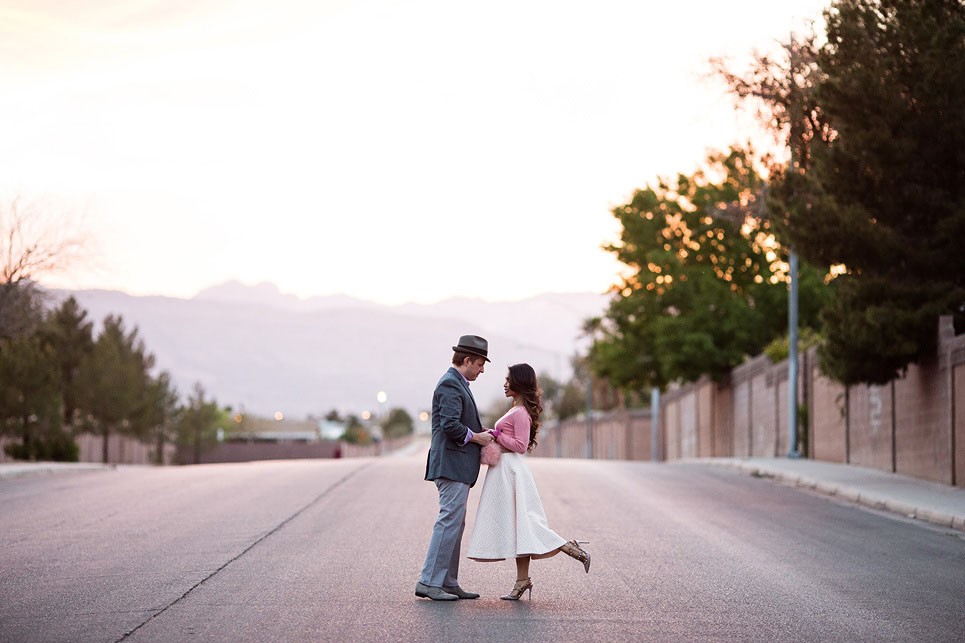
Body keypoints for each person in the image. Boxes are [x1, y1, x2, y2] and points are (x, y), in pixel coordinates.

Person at [466, 363, 591, 600]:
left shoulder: (520, 413)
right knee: (518, 527)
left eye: (508, 379)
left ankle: (570, 548)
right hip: (505, 472)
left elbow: (520, 446)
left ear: (519, 383)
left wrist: (496, 434)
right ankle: (522, 581)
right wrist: (491, 433)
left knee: (524, 523)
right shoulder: (516, 410)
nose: (504, 384)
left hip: (512, 472)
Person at [415, 334, 497, 601]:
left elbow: (458, 422)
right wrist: (476, 437)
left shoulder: (458, 383)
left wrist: (483, 432)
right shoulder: (450, 385)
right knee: (449, 521)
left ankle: (448, 582)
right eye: (480, 364)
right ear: (467, 360)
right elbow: (450, 426)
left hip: (456, 466)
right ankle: (429, 581)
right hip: (451, 465)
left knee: (455, 524)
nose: (482, 369)